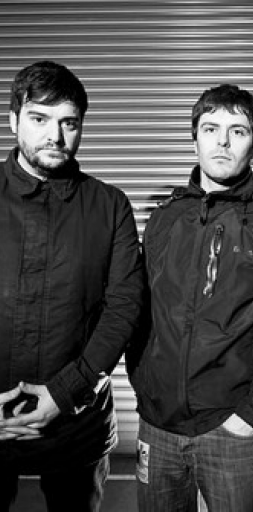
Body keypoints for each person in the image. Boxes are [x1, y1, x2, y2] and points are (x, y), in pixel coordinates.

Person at [127, 83, 253, 512]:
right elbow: (141, 311)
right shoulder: (165, 218)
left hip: (232, 429)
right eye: (210, 129)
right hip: (158, 425)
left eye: (238, 131)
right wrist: (144, 387)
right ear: (194, 137)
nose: (222, 142)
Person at [0, 61, 145, 511]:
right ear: (13, 120)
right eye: (39, 119)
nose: (55, 137)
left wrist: (64, 394)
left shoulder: (110, 205)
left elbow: (123, 308)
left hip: (77, 425)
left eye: (69, 123)